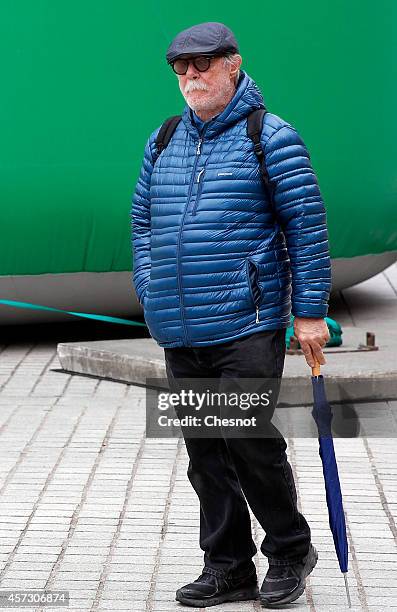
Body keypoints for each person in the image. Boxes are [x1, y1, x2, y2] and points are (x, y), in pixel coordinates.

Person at [130, 21, 332, 608]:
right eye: (181, 69)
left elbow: (308, 229)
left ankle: (290, 552)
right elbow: (142, 224)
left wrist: (311, 312)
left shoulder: (270, 136)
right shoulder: (163, 139)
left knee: (248, 441)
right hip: (178, 325)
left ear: (233, 64)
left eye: (202, 65)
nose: (190, 77)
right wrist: (149, 285)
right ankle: (228, 566)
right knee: (204, 451)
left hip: (246, 322)